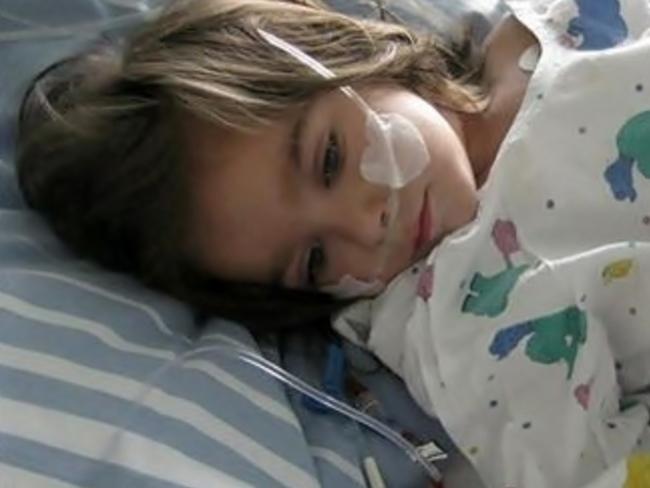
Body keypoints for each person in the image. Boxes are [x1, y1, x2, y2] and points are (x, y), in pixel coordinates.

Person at [15, 0, 650, 486]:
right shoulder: (469, 325)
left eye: (330, 159)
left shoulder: (546, 23)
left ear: (345, 53)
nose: (367, 224)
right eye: (316, 258)